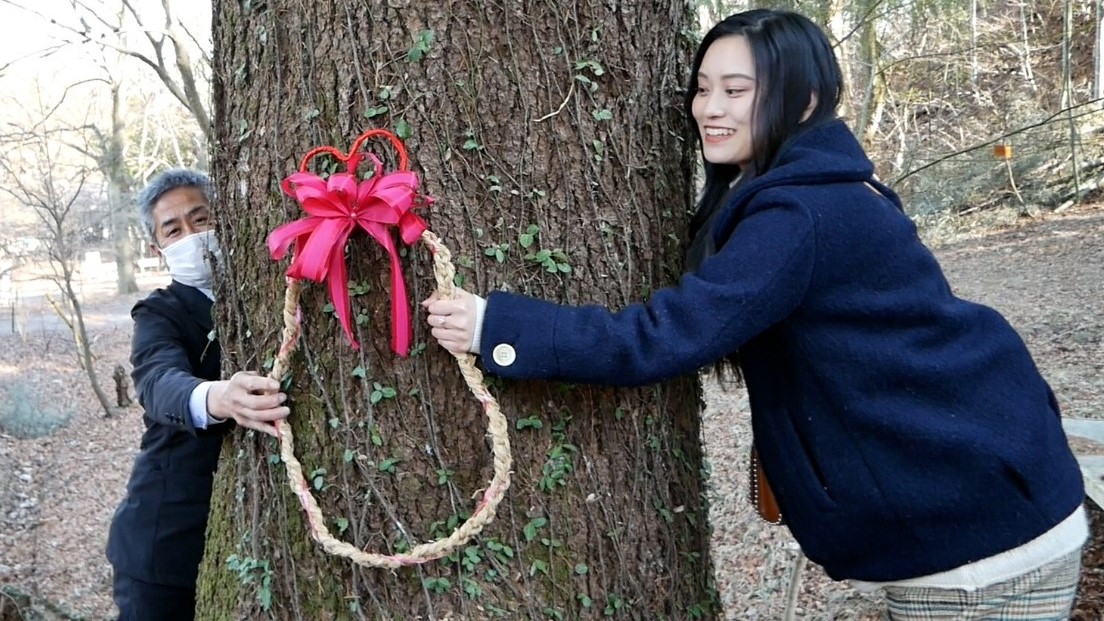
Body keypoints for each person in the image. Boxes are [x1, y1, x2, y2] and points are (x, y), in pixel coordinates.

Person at [424, 9, 1088, 620]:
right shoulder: (824, 190)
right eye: (703, 88)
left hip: (978, 550)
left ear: (802, 100)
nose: (709, 109)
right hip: (990, 501)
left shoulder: (798, 215)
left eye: (736, 91)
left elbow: (664, 335)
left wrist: (496, 326)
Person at [106, 169, 291, 621]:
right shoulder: (159, 313)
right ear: (158, 249)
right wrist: (217, 397)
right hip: (163, 546)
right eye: (173, 229)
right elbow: (156, 380)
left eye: (200, 219)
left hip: (256, 545)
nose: (190, 235)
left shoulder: (266, 292)